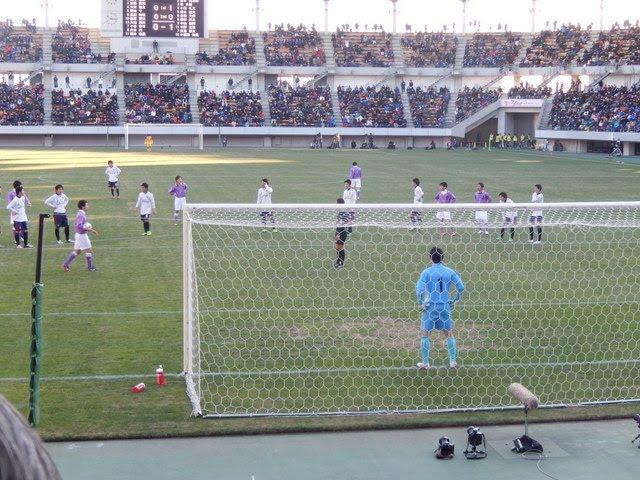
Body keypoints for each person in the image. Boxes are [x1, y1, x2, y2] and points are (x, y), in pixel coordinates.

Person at [415, 247, 465, 369]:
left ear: (430, 257)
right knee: (448, 333)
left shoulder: (426, 272)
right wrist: (455, 300)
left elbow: (419, 290)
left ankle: (425, 363)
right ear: (443, 258)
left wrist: (421, 303)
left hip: (430, 307)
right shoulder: (450, 272)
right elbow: (461, 287)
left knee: (425, 334)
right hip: (444, 306)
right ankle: (452, 362)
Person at [62, 200, 98, 272]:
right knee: (89, 250)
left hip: (78, 235)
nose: (88, 206)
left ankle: (65, 264)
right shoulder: (81, 215)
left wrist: (86, 228)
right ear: (83, 206)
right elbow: (79, 225)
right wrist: (90, 229)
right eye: (87, 205)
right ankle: (90, 267)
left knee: (77, 251)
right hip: (82, 235)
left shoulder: (81, 213)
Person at [334, 198, 352, 268]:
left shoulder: (343, 212)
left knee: (340, 247)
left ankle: (341, 262)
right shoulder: (340, 211)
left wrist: (338, 233)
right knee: (337, 247)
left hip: (342, 232)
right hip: (338, 230)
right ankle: (338, 261)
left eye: (336, 203)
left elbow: (345, 222)